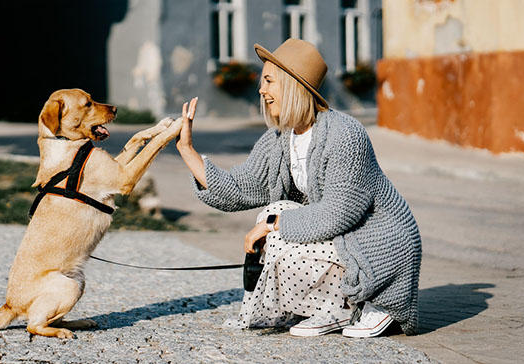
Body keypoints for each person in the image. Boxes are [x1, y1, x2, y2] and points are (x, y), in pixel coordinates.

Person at [174, 38, 421, 338]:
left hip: (378, 246)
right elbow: (240, 187)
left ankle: (365, 303)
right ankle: (330, 308)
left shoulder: (346, 135)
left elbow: (337, 214)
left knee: (276, 224)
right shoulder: (281, 138)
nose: (261, 90)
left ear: (292, 85)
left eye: (268, 81)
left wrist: (271, 226)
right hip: (343, 240)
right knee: (274, 212)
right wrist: (187, 151)